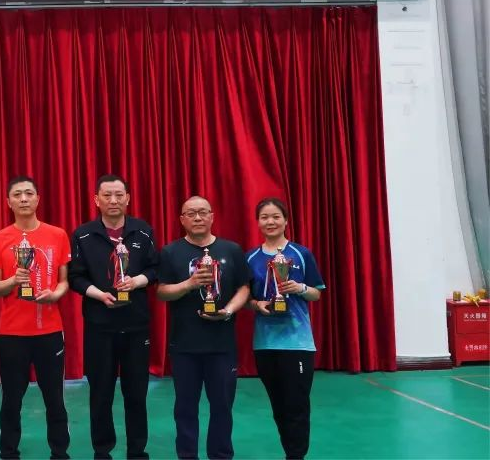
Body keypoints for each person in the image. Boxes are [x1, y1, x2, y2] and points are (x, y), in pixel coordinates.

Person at [69, 174, 159, 459]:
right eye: (107, 195)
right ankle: (102, 452)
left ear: (128, 198)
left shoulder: (143, 231)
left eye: (119, 195)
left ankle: (137, 452)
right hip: (100, 326)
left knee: (136, 394)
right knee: (100, 394)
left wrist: (137, 281)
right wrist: (98, 294)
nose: (113, 200)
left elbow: (155, 269)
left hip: (136, 327)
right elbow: (75, 277)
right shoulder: (83, 234)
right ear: (96, 199)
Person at [157, 196, 251, 460]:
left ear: (212, 216)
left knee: (222, 406)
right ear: (182, 219)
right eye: (191, 213)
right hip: (184, 345)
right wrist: (189, 284)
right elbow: (162, 292)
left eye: (202, 212)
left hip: (222, 345)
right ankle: (187, 455)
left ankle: (220, 455)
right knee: (185, 408)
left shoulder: (231, 250)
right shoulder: (170, 252)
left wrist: (228, 311)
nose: (197, 218)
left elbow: (244, 287)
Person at [0, 176, 71, 460]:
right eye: (17, 195)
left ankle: (60, 453)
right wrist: (14, 280)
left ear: (37, 199)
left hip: (50, 332)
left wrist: (55, 294)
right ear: (8, 202)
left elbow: (64, 281)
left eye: (28, 193)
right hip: (12, 334)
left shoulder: (57, 235)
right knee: (11, 400)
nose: (23, 199)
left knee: (55, 400)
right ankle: (9, 453)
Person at [246, 198, 325, 460]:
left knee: (296, 406)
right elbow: (245, 298)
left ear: (286, 221)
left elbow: (316, 293)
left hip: (297, 343)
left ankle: (296, 456)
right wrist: (257, 304)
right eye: (264, 217)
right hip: (265, 343)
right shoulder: (251, 258)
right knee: (279, 406)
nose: (270, 222)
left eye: (276, 216)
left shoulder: (301, 254)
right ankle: (290, 452)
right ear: (258, 222)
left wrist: (299, 288)